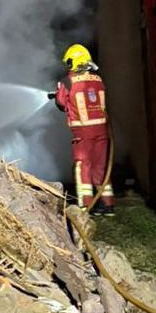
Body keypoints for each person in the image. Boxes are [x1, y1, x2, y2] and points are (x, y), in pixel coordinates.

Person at [51, 43, 115, 216]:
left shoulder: (67, 81)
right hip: (102, 130)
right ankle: (107, 205)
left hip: (83, 133)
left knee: (83, 166)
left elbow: (62, 103)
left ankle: (86, 206)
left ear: (73, 62)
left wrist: (57, 95)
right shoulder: (98, 79)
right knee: (100, 167)